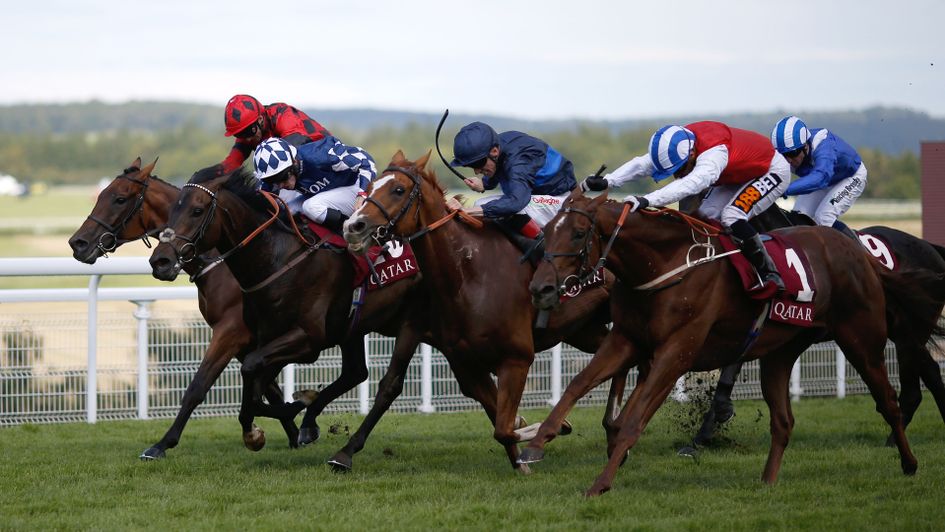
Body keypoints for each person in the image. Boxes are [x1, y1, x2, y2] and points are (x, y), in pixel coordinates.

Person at [583, 121, 789, 290]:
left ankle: (770, 274)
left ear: (691, 155)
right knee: (705, 217)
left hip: (770, 171)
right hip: (737, 174)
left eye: (680, 169)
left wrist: (648, 200)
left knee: (732, 215)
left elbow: (690, 184)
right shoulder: (678, 143)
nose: (676, 174)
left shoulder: (713, 155)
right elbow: (642, 164)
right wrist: (608, 181)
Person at [447, 121, 577, 263]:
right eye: (471, 165)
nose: (477, 171)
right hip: (539, 197)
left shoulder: (519, 160)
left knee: (485, 206)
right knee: (484, 205)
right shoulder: (498, 145)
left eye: (478, 164)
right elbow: (501, 168)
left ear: (494, 152)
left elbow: (516, 202)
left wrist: (468, 211)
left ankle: (543, 251)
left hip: (563, 204)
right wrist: (484, 184)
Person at [252, 136, 376, 232]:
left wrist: (362, 193)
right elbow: (262, 201)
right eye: (272, 181)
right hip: (328, 193)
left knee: (311, 206)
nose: (279, 185)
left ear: (294, 162)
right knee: (286, 211)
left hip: (355, 187)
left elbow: (367, 162)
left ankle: (353, 231)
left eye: (282, 178)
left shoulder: (320, 156)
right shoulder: (280, 172)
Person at [771, 116, 866, 237]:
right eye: (782, 155)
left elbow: (821, 178)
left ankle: (859, 251)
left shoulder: (823, 144)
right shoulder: (790, 154)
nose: (788, 160)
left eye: (792, 153)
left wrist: (784, 190)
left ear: (805, 146)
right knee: (798, 218)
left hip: (850, 177)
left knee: (824, 217)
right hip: (824, 180)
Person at [221, 94, 331, 173]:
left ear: (260, 120)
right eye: (239, 134)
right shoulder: (248, 131)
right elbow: (231, 163)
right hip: (300, 164)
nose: (247, 139)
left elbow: (289, 151)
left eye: (248, 132)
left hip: (325, 158)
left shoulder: (282, 115)